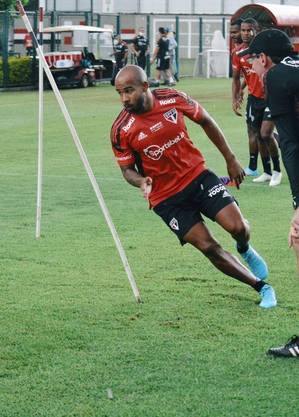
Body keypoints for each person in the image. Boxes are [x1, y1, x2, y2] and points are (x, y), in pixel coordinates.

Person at [110, 64, 277, 309]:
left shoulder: (172, 98)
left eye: (129, 91)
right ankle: (261, 287)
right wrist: (140, 181)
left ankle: (244, 248)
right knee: (208, 246)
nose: (124, 98)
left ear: (145, 86)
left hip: (197, 177)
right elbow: (126, 170)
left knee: (238, 227)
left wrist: (230, 159)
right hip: (166, 199)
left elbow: (206, 121)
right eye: (120, 93)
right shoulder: (120, 130)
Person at [240, 29, 299, 357]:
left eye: (253, 60)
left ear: (264, 58)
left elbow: (290, 143)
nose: (253, 67)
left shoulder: (277, 78)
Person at [232, 19, 282, 186]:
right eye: (243, 30)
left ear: (257, 30)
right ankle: (267, 172)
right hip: (254, 99)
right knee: (257, 136)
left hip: (270, 97)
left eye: (249, 30)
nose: (246, 33)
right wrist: (239, 92)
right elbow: (244, 76)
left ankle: (277, 171)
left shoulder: (265, 49)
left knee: (265, 134)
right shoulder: (238, 53)